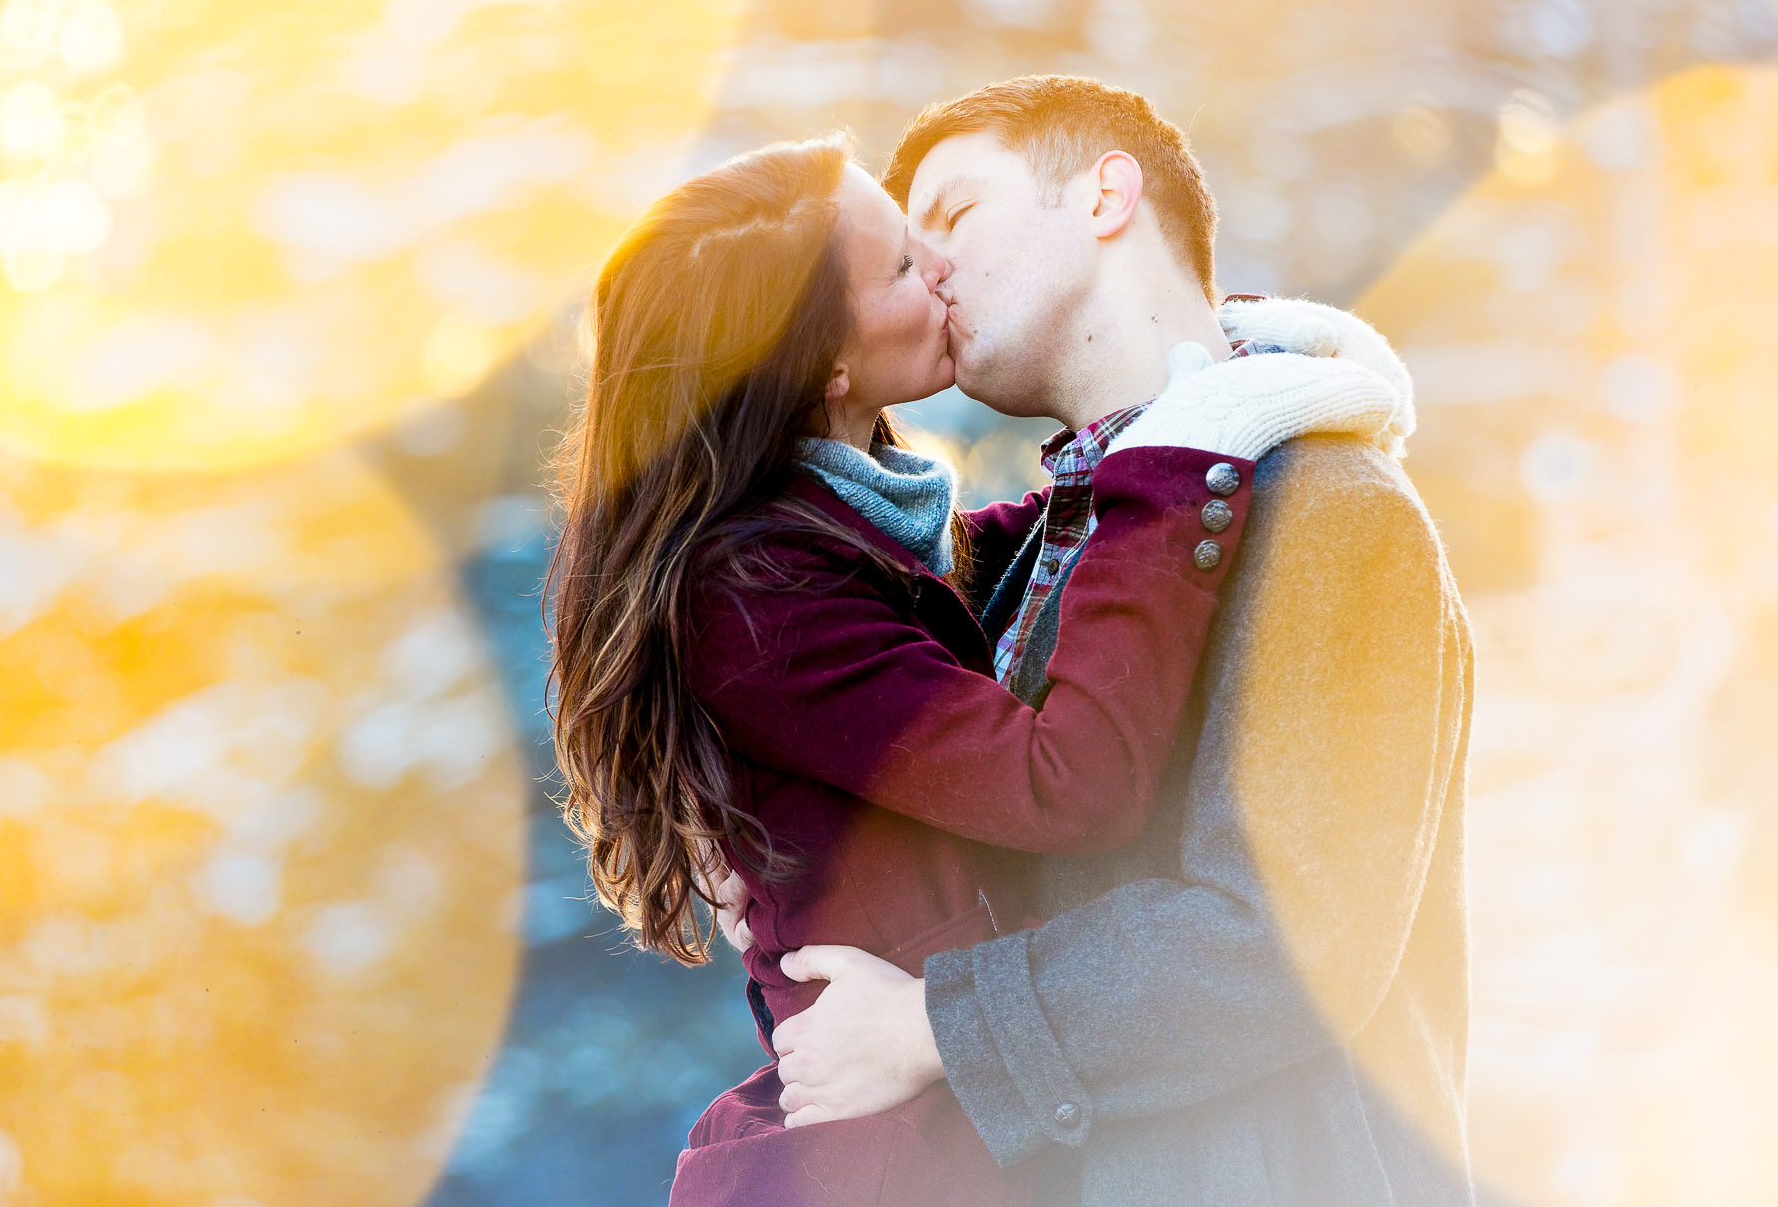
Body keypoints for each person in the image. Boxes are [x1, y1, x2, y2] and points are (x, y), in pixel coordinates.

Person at [546, 131, 1404, 1205]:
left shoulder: (847, 539)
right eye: (905, 263)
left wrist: (1251, 364)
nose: (937, 268)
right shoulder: (754, 591)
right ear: (827, 366)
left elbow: (1036, 557)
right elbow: (1066, 780)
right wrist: (1183, 452)